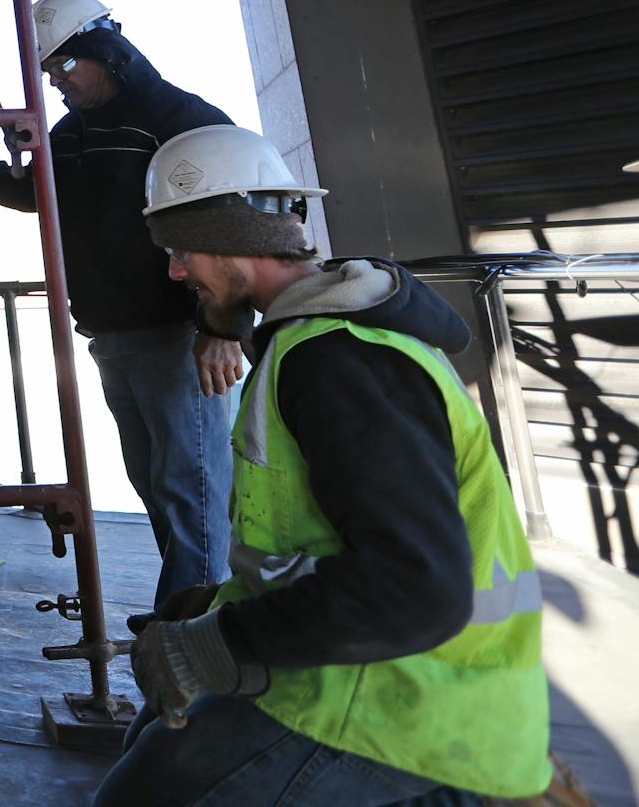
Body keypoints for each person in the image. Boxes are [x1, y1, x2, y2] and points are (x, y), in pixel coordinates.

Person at [96, 124, 551, 806]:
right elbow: (322, 543)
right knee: (148, 739)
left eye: (180, 249)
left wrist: (217, 643)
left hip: (405, 710)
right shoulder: (312, 345)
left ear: (234, 239)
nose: (175, 272)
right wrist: (219, 609)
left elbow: (415, 591)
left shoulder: (335, 361)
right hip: (369, 677)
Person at [0, 0, 237, 610]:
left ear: (107, 50)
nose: (58, 82)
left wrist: (220, 325)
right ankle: (189, 612)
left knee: (190, 486)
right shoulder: (72, 132)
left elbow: (228, 225)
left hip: (177, 336)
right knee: (155, 483)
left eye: (66, 65)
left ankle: (196, 629)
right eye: (48, 73)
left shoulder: (183, 119)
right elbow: (38, 196)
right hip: (112, 336)